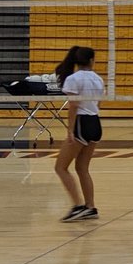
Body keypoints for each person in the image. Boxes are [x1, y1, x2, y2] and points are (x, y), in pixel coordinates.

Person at [54, 46, 104, 222]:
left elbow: (74, 105)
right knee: (82, 168)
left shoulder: (73, 79)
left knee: (60, 167)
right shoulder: (98, 79)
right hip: (96, 122)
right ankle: (90, 207)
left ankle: (77, 206)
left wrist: (70, 130)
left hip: (82, 123)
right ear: (91, 60)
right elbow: (98, 104)